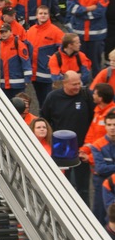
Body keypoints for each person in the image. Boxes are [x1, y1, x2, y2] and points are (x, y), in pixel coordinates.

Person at [41, 71, 94, 204]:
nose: (77, 87)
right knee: (63, 185)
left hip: (82, 149)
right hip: (61, 150)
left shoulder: (86, 95)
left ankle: (85, 214)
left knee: (83, 188)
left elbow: (95, 119)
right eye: (74, 84)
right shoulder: (53, 97)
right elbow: (44, 120)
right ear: (64, 83)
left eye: (79, 83)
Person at [67, 0, 109, 77]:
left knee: (96, 64)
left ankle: (96, 85)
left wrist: (81, 13)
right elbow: (71, 8)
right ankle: (81, 85)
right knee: (78, 63)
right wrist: (88, 8)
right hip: (79, 34)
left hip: (96, 36)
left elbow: (100, 12)